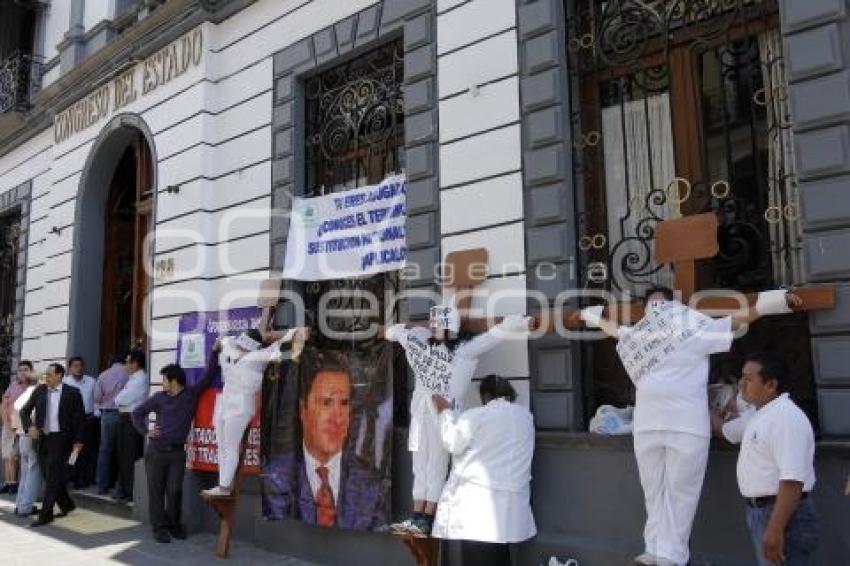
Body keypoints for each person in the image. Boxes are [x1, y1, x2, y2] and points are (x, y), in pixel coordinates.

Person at [581, 286, 801, 566]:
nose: (658, 311)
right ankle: (654, 550)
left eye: (661, 305)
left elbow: (735, 320)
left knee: (681, 492)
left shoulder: (688, 329)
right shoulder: (646, 334)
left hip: (685, 426)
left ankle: (670, 554)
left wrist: (772, 303)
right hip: (651, 425)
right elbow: (617, 331)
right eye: (654, 306)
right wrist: (595, 317)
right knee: (654, 490)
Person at [385, 307, 533, 536]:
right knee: (420, 466)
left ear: (450, 326)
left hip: (445, 414)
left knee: (436, 465)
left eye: (439, 322)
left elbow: (491, 338)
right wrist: (398, 331)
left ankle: (427, 516)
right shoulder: (421, 346)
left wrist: (516, 324)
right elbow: (396, 333)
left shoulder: (463, 352)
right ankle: (416, 515)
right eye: (432, 321)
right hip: (421, 413)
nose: (433, 325)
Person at [719, 353, 819, 565]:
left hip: (783, 516)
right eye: (741, 377)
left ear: (771, 385)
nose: (741, 384)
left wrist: (775, 529)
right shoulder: (762, 415)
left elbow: (792, 480)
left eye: (748, 379)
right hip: (763, 514)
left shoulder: (785, 418)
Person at [263, 359, 386, 530]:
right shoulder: (275, 476)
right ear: (302, 410)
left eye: (344, 403)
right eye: (326, 403)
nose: (337, 418)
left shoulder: (371, 483)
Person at [431, 375, 536, 566]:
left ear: (485, 395)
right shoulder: (525, 417)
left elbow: (451, 442)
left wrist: (445, 412)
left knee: (477, 557)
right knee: (500, 555)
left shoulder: (477, 416)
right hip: (510, 504)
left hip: (477, 505)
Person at [202, 326, 308, 497]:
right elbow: (221, 340)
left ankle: (224, 487)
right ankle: (222, 485)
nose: (240, 348)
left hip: (241, 405)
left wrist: (296, 331)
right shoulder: (232, 345)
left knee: (230, 446)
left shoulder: (259, 356)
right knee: (221, 445)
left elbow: (284, 341)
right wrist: (218, 345)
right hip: (224, 402)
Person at [132, 361, 215, 543]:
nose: (162, 382)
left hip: (177, 453)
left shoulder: (191, 395)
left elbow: (208, 377)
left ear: (174, 381)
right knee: (157, 491)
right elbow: (137, 413)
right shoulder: (159, 397)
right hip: (156, 451)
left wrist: (215, 353)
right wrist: (146, 431)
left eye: (164, 379)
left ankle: (173, 524)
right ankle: (159, 528)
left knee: (175, 490)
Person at [19, 363, 85, 527]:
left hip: (61, 439)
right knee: (49, 476)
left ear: (59, 376)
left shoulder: (73, 393)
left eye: (49, 374)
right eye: (45, 375)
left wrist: (78, 442)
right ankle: (67, 504)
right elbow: (24, 411)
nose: (46, 377)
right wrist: (30, 427)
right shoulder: (40, 390)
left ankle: (46, 515)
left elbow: (80, 421)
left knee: (53, 474)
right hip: (42, 438)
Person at [114, 349, 149, 502]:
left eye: (128, 361)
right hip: (125, 419)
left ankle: (129, 492)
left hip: (131, 419)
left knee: (129, 455)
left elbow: (121, 400)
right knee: (123, 455)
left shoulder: (140, 379)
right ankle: (123, 489)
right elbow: (120, 399)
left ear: (136, 363)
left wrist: (119, 399)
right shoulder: (133, 378)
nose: (125, 365)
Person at [94, 354, 130, 495]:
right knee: (123, 450)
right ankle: (120, 486)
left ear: (110, 363)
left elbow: (96, 397)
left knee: (105, 450)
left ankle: (102, 485)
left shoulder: (103, 375)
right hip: (125, 414)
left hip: (108, 414)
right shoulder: (129, 373)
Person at [63, 356, 97, 488]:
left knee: (86, 451)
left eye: (81, 365)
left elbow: (96, 399)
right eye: (75, 366)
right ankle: (72, 476)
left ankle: (84, 478)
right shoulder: (65, 383)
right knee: (73, 451)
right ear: (70, 368)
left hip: (88, 420)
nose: (79, 368)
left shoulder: (91, 381)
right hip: (71, 422)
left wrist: (96, 413)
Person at [1, 360, 34, 494]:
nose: (22, 372)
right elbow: (4, 403)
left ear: (31, 371)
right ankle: (8, 483)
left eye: (26, 369)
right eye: (20, 370)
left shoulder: (33, 387)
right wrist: (6, 422)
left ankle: (14, 483)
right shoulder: (13, 385)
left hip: (23, 426)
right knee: (7, 455)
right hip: (9, 425)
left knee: (16, 455)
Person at [12, 363, 40, 516]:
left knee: (25, 473)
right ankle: (26, 506)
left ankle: (19, 504)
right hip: (30, 436)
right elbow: (34, 416)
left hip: (21, 436)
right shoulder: (34, 395)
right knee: (34, 471)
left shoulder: (22, 396)